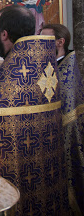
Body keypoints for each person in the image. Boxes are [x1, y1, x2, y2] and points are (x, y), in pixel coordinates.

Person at [0, 5, 69, 215]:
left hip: (15, 175)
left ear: (4, 34)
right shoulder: (42, 64)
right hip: (45, 172)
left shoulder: (12, 74)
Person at [41, 24, 84, 215]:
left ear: (60, 42)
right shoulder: (51, 65)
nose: (40, 43)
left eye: (45, 39)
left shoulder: (67, 68)